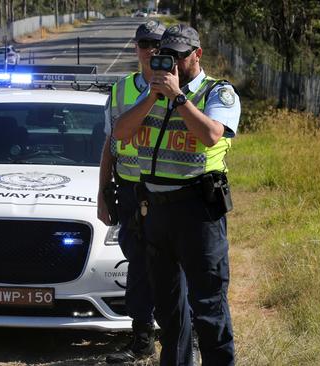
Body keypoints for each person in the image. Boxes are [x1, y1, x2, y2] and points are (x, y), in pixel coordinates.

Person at [113, 23, 240, 366]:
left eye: (178, 56)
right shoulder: (152, 92)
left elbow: (212, 134)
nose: (169, 63)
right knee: (169, 311)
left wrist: (178, 98)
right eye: (164, 54)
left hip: (198, 212)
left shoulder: (217, 92)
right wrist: (153, 97)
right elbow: (120, 132)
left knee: (209, 309)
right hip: (156, 211)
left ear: (197, 55)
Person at [97, 20, 165, 364]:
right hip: (129, 191)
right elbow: (110, 144)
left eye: (157, 43)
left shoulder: (177, 87)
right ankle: (141, 340)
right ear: (135, 47)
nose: (151, 50)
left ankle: (183, 334)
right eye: (144, 43)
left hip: (167, 191)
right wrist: (102, 192)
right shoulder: (122, 88)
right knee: (137, 264)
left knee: (175, 265)